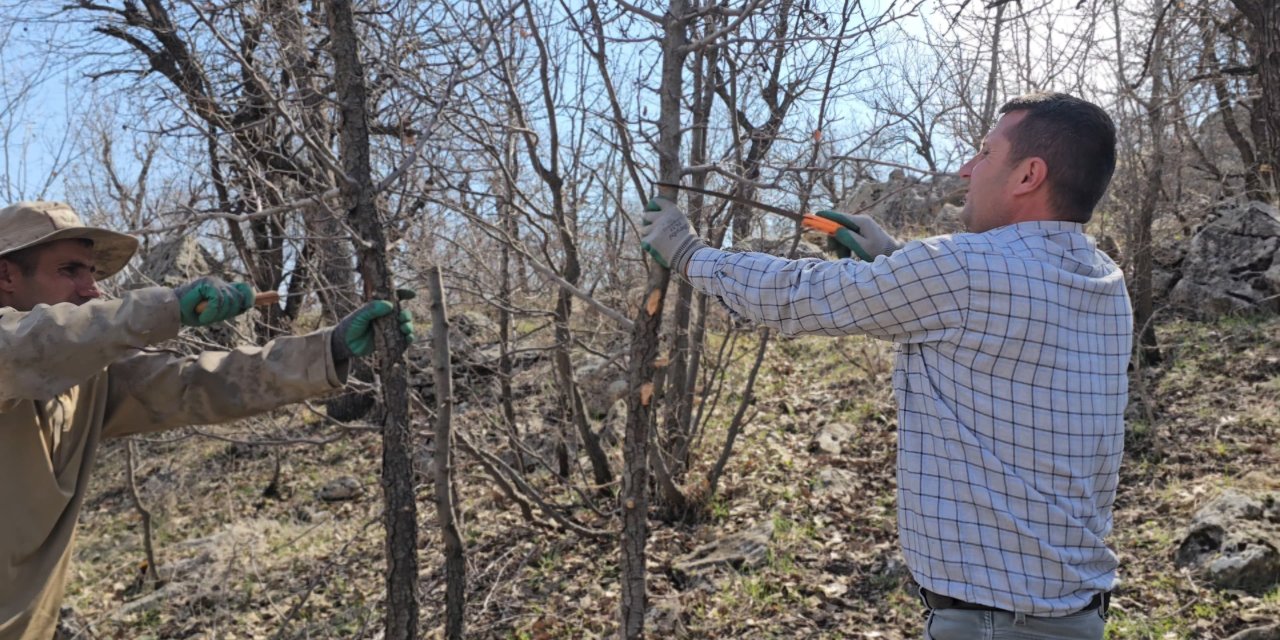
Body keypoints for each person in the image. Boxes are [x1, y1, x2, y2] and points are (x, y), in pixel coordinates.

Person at [641, 92, 1130, 640]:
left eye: (986, 153)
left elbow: (798, 295)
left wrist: (688, 254)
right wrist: (891, 259)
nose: (967, 168)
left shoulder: (963, 270)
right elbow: (990, 322)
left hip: (994, 624)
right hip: (1074, 616)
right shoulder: (1105, 279)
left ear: (1028, 176)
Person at [0, 200, 414, 640]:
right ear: (6, 275)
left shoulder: (90, 379)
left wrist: (327, 350)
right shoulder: (18, 349)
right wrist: (165, 309)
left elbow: (196, 385)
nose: (92, 290)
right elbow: (30, 344)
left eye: (93, 273)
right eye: (69, 270)